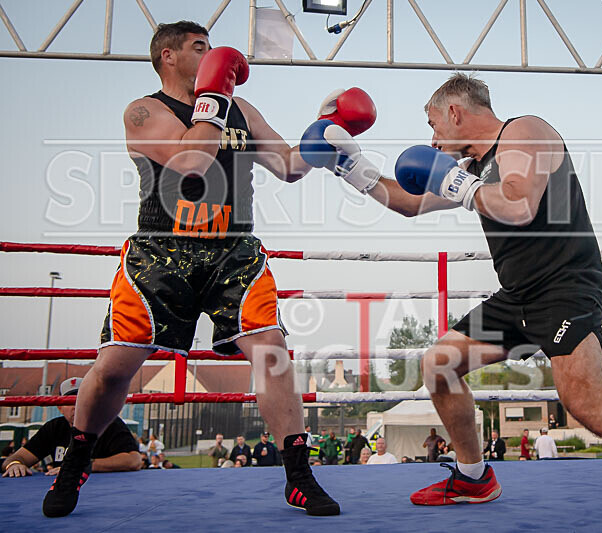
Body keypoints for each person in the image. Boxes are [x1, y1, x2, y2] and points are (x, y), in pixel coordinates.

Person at [298, 73, 602, 531]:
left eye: (434, 122)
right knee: (439, 363)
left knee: (587, 404)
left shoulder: (523, 133)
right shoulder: (472, 169)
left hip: (564, 288)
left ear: (456, 112)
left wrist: (459, 183)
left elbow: (519, 205)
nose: (432, 137)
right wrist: (349, 165)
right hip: (517, 296)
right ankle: (474, 477)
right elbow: (406, 202)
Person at [39, 21, 363, 518]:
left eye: (212, 48)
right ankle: (76, 461)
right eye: (199, 48)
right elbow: (192, 159)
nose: (212, 55)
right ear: (167, 56)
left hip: (233, 250)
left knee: (272, 351)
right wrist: (213, 94)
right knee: (112, 371)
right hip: (160, 252)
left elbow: (289, 165)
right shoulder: (143, 111)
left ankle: (298, 476)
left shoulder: (239, 108)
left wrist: (325, 133)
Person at [2, 378, 141, 478]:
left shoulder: (110, 423)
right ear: (60, 407)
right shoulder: (54, 428)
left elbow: (133, 460)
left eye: (81, 400)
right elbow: (17, 458)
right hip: (62, 489)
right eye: (69, 402)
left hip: (104, 491)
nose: (76, 406)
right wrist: (14, 464)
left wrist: (81, 466)